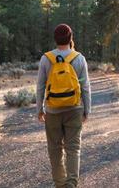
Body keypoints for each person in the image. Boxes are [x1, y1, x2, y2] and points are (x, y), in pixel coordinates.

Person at [36, 23, 91, 187]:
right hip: (74, 109)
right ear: (70, 38)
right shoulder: (79, 58)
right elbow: (85, 86)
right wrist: (87, 110)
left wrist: (39, 109)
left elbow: (40, 86)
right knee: (73, 148)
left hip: (52, 110)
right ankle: (71, 184)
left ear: (55, 39)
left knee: (54, 148)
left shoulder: (46, 58)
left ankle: (59, 184)